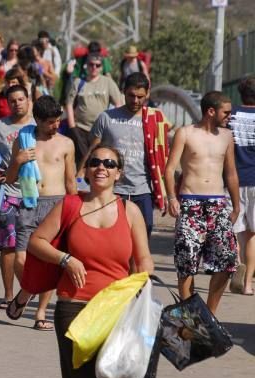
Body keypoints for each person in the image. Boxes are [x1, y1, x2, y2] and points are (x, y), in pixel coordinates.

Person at [30, 144, 153, 378]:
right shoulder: (70, 204)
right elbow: (36, 241)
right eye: (95, 162)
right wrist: (66, 259)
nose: (101, 168)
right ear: (86, 169)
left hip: (115, 313)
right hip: (73, 310)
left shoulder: (130, 211)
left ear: (118, 173)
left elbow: (143, 261)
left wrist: (141, 297)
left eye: (109, 164)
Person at [164, 91, 239, 315]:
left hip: (218, 204)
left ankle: (209, 316)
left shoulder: (227, 136)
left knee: (226, 262)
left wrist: (236, 206)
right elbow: (169, 170)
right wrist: (171, 198)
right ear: (211, 111)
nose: (229, 116)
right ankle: (190, 317)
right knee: (186, 263)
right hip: (190, 203)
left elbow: (231, 173)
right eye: (226, 112)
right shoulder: (185, 133)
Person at [5, 96, 76, 331]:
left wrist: (76, 210)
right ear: (38, 120)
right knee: (21, 259)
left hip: (56, 205)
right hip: (28, 202)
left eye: (58, 121)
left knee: (49, 261)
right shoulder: (24, 140)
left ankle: (40, 311)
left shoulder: (66, 144)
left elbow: (70, 182)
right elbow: (10, 179)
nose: (56, 126)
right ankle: (27, 291)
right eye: (51, 122)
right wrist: (18, 160)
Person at [87, 72, 170, 236]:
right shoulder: (106, 118)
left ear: (147, 94)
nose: (135, 101)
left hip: (143, 191)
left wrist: (166, 192)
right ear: (123, 92)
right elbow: (93, 151)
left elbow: (164, 155)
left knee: (143, 235)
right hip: (112, 190)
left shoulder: (155, 119)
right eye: (131, 95)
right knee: (112, 236)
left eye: (140, 96)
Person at [0, 85, 35, 308]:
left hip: (34, 193)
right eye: (13, 100)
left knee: (33, 246)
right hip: (7, 193)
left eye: (21, 99)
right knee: (9, 246)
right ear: (7, 102)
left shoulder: (38, 125)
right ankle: (8, 295)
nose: (17, 104)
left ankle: (28, 291)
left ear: (29, 100)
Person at [65, 53, 122, 168]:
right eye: (91, 64)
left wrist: (115, 125)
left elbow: (118, 104)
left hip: (101, 131)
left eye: (97, 65)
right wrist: (72, 127)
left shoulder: (108, 82)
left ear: (101, 67)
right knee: (81, 161)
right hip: (81, 129)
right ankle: (80, 183)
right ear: (86, 66)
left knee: (97, 160)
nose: (94, 67)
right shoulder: (78, 82)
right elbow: (69, 103)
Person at [229, 76, 255, 296]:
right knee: (253, 234)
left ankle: (237, 265)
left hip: (233, 180)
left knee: (235, 230)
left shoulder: (231, 115)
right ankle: (247, 284)